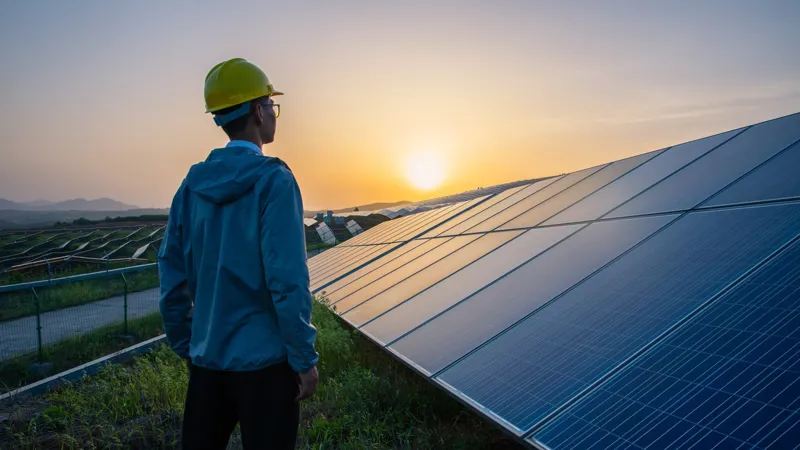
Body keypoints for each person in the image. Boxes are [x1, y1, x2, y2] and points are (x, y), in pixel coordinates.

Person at [158, 57, 319, 450]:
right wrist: (303, 359)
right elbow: (287, 280)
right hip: (266, 367)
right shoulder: (274, 181)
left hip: (208, 362)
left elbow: (170, 271)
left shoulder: (191, 186)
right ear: (255, 111)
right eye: (270, 105)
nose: (273, 114)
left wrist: (188, 344)